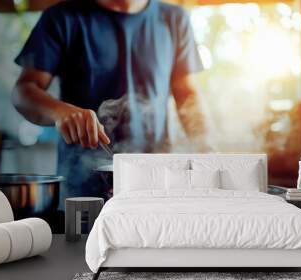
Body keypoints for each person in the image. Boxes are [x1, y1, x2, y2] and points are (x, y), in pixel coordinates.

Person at [12, 0, 207, 207]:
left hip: (157, 185)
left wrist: (206, 149)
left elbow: (187, 97)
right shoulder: (62, 18)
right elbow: (23, 91)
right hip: (83, 190)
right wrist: (60, 111)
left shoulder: (175, 19)